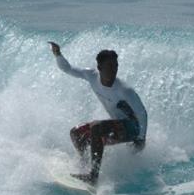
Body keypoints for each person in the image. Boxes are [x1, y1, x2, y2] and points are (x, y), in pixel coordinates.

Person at [49, 41, 147, 185]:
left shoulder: (125, 90)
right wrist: (58, 54)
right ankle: (84, 164)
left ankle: (93, 176)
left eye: (115, 66)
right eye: (109, 66)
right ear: (99, 68)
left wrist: (141, 138)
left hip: (133, 128)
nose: (113, 70)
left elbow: (142, 114)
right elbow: (68, 69)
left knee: (97, 128)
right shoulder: (91, 75)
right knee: (76, 134)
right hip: (118, 125)